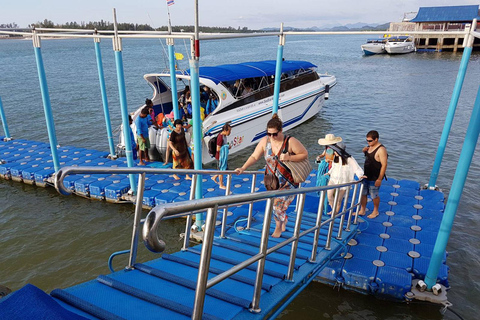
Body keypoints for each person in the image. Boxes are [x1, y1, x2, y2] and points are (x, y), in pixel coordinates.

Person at [235, 114, 308, 238]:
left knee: (277, 206)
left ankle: (278, 227)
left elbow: (304, 154)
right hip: (272, 181)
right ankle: (283, 219)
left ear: (281, 131)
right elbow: (254, 156)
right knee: (278, 205)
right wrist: (243, 168)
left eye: (275, 134)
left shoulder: (290, 141)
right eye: (269, 134)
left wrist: (289, 157)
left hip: (288, 182)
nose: (272, 137)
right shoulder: (265, 141)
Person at [318, 134, 364, 215]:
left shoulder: (349, 159)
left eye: (335, 151)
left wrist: (360, 176)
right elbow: (333, 168)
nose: (333, 152)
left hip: (343, 182)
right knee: (329, 196)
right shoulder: (335, 158)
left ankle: (335, 213)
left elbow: (356, 168)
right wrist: (329, 172)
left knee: (338, 200)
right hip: (333, 179)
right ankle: (333, 208)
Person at [358, 130, 388, 219]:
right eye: (367, 140)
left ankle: (375, 211)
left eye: (370, 141)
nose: (368, 142)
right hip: (366, 175)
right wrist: (364, 151)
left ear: (376, 139)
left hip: (375, 177)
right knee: (363, 194)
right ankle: (362, 209)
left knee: (374, 195)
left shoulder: (381, 150)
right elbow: (369, 159)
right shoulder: (369, 147)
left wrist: (379, 179)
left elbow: (384, 164)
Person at [212, 123, 232, 189]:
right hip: (220, 157)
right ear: (225, 130)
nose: (230, 132)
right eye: (229, 131)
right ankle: (221, 185)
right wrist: (226, 147)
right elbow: (218, 148)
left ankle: (214, 177)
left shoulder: (224, 136)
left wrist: (227, 147)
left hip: (223, 156)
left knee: (223, 169)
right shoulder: (220, 137)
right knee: (221, 170)